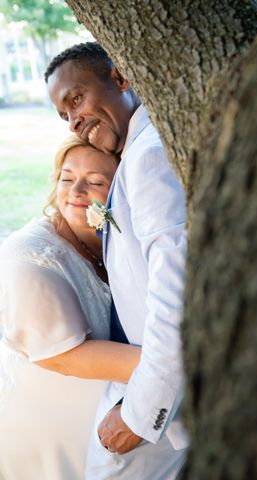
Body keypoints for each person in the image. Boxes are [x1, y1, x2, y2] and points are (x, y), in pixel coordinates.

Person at [45, 42, 188, 479]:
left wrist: (141, 414)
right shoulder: (137, 153)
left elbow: (177, 290)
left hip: (161, 399)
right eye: (64, 114)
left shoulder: (148, 157)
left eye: (76, 98)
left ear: (121, 77)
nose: (74, 120)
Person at [0, 136, 142, 480]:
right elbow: (63, 357)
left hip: (109, 435)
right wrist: (182, 367)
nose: (76, 190)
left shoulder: (121, 237)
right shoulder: (28, 260)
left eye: (95, 182)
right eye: (66, 178)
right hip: (50, 438)